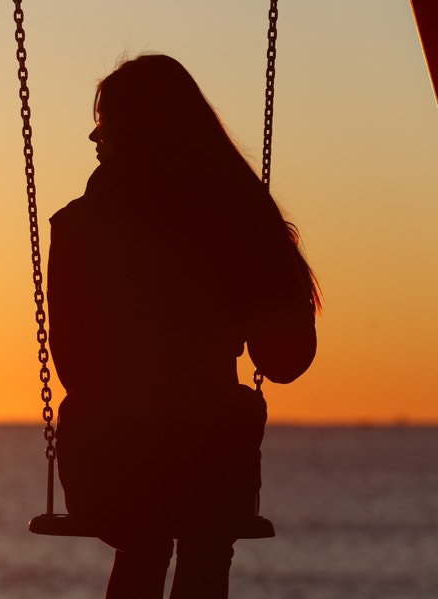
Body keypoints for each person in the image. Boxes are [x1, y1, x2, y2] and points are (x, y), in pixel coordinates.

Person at [47, 54, 319, 599]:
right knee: (207, 543)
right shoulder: (238, 219)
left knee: (142, 543)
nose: (93, 135)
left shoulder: (79, 225)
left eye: (104, 121)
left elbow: (71, 358)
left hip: (111, 453)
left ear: (134, 130)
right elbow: (284, 361)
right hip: (210, 454)